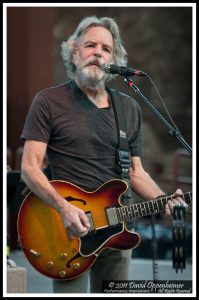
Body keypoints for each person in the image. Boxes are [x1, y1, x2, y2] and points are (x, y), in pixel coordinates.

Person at [20, 16, 186, 293]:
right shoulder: (48, 102)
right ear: (75, 53)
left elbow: (135, 173)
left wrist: (164, 200)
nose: (98, 52)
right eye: (90, 45)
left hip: (119, 232)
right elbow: (29, 168)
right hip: (69, 232)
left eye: (106, 49)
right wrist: (63, 207)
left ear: (114, 59)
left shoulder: (128, 108)